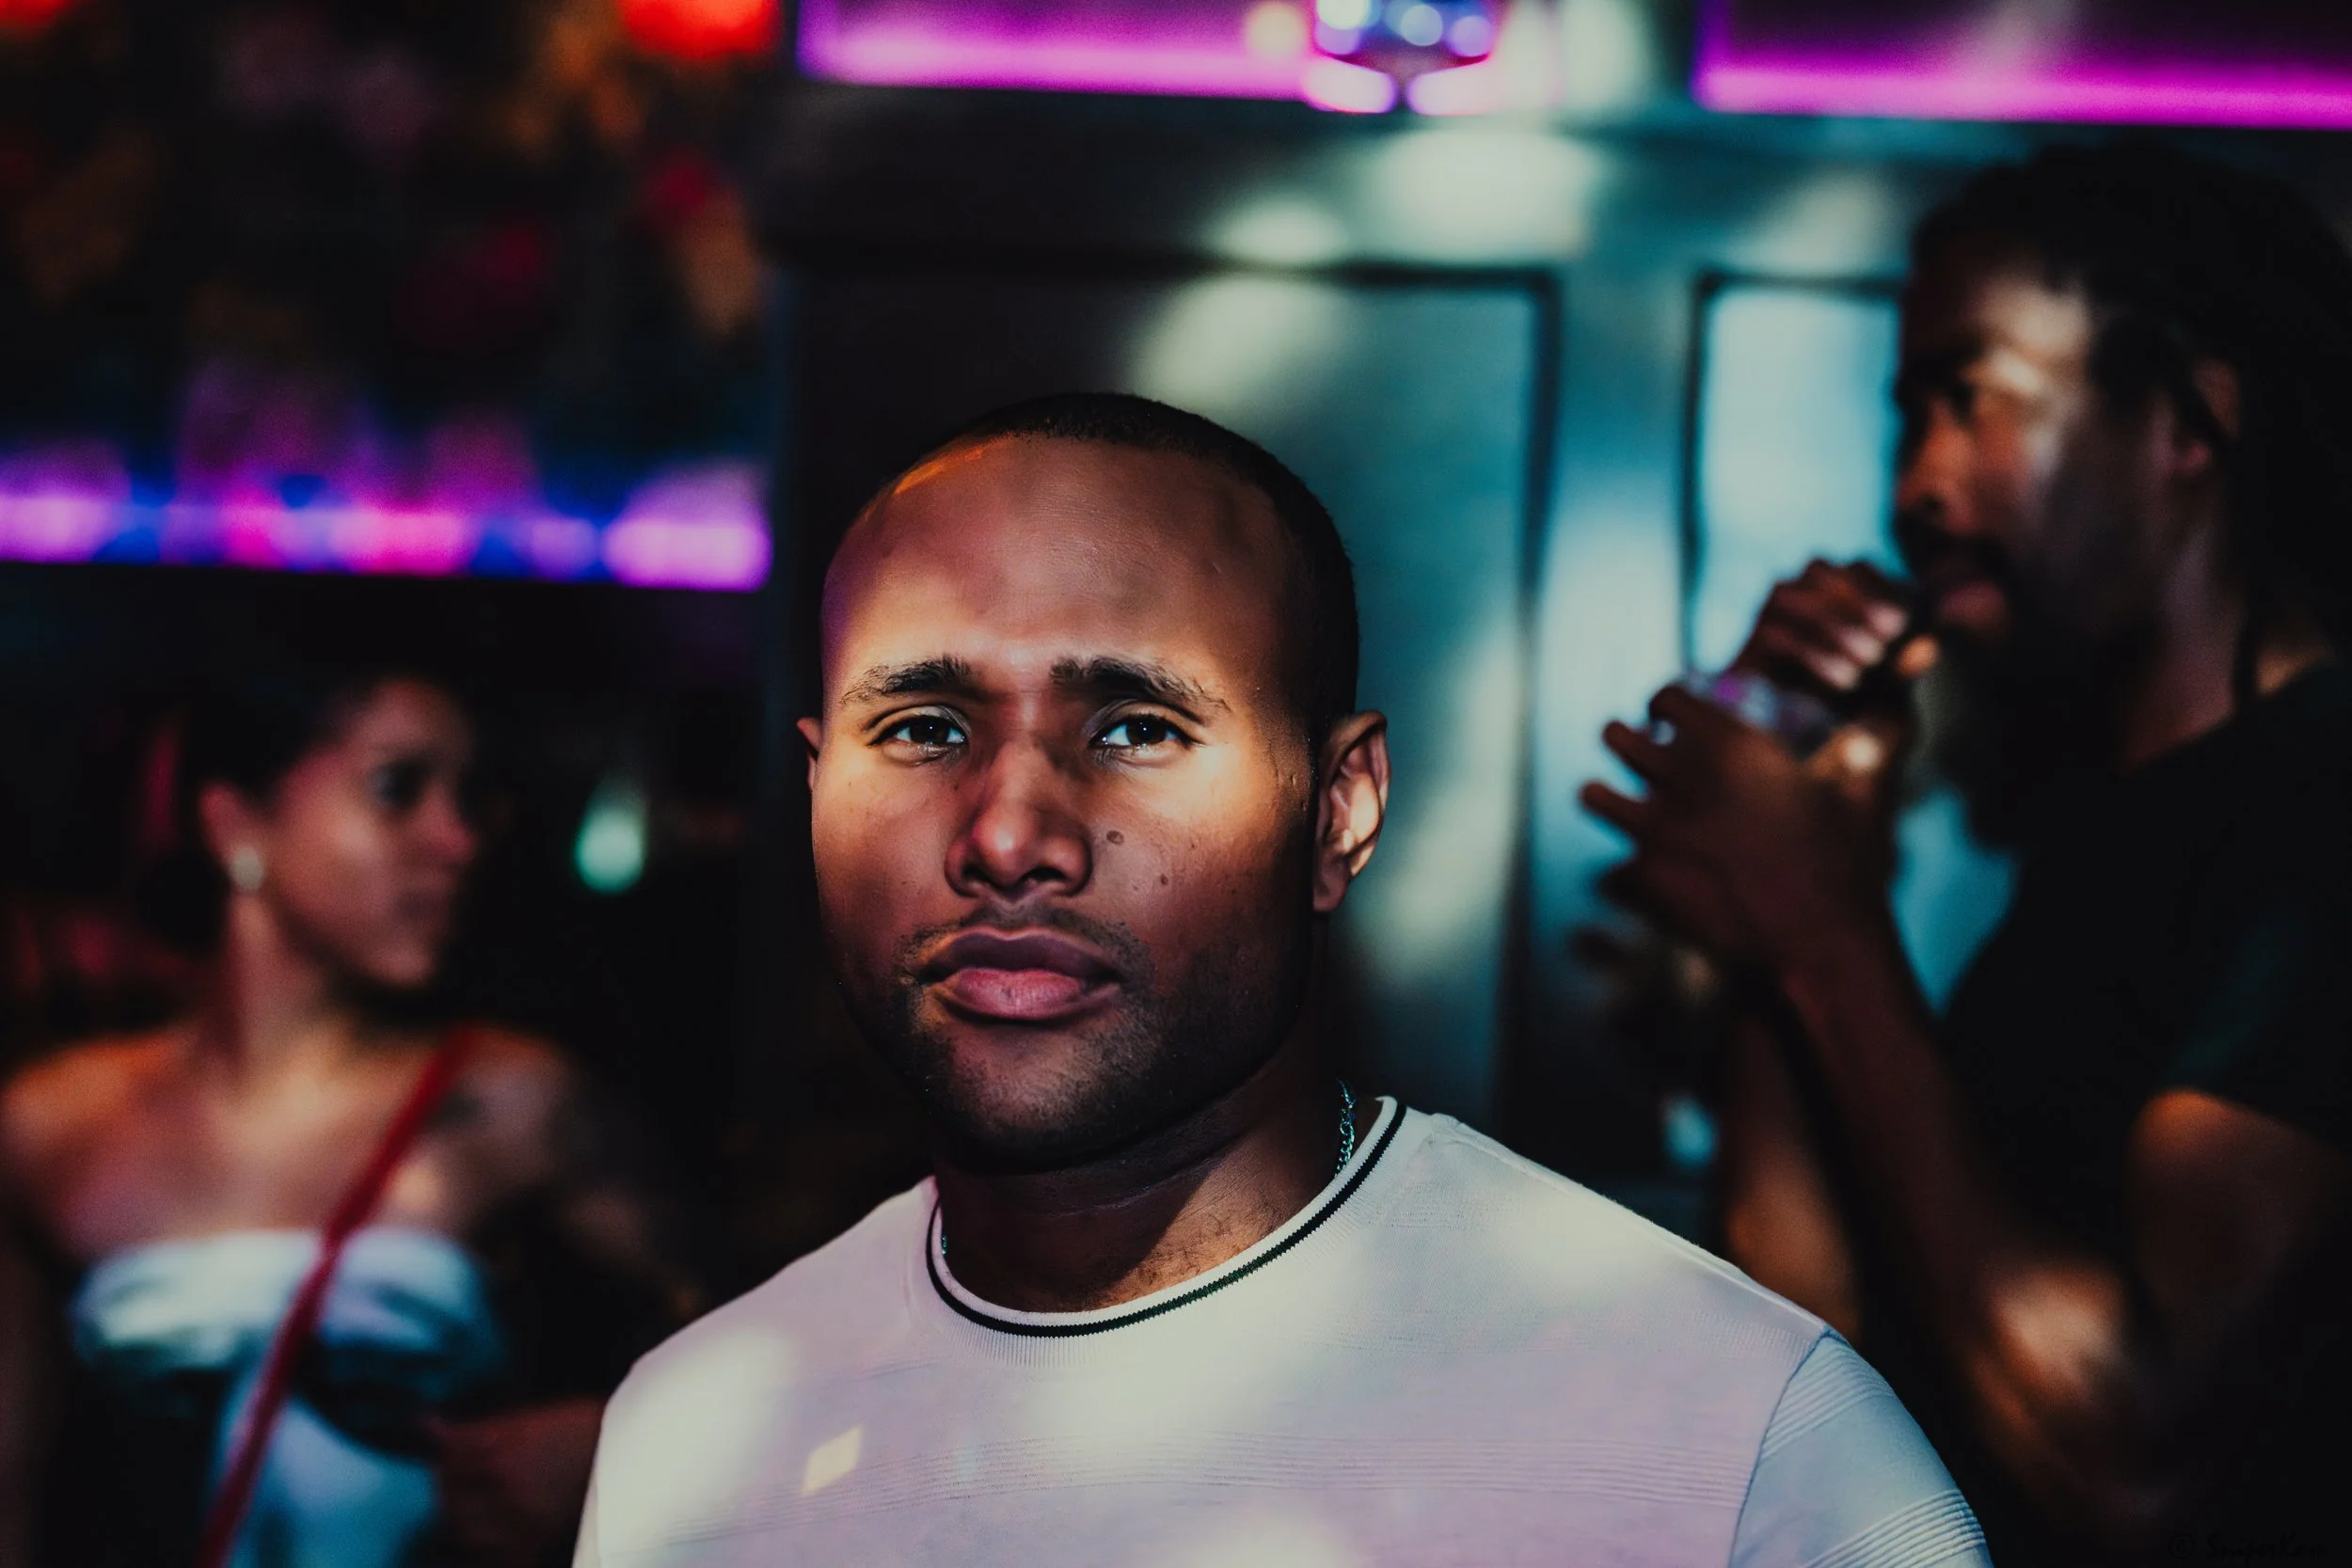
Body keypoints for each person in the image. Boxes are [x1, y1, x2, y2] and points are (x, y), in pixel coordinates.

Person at [576, 392, 1987, 1567]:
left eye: (1132, 726)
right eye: (926, 725)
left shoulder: (1745, 1446)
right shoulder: (692, 1436)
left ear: (1341, 809)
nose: (1008, 834)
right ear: (817, 788)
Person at [1582, 143, 2352, 1565]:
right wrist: (1799, 866)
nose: (1917, 482)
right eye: (1904, 416)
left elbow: (2136, 1461)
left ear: (2194, 414)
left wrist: (1819, 924)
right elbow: (1810, 1330)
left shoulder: (2319, 807)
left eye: (1971, 394)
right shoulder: (2101, 824)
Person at [0, 665, 699, 1568]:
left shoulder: (507, 1101)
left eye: (470, 798)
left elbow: (765, 1352)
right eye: (396, 789)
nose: (455, 841)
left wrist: (614, 1442)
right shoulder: (50, 1125)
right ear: (235, 823)